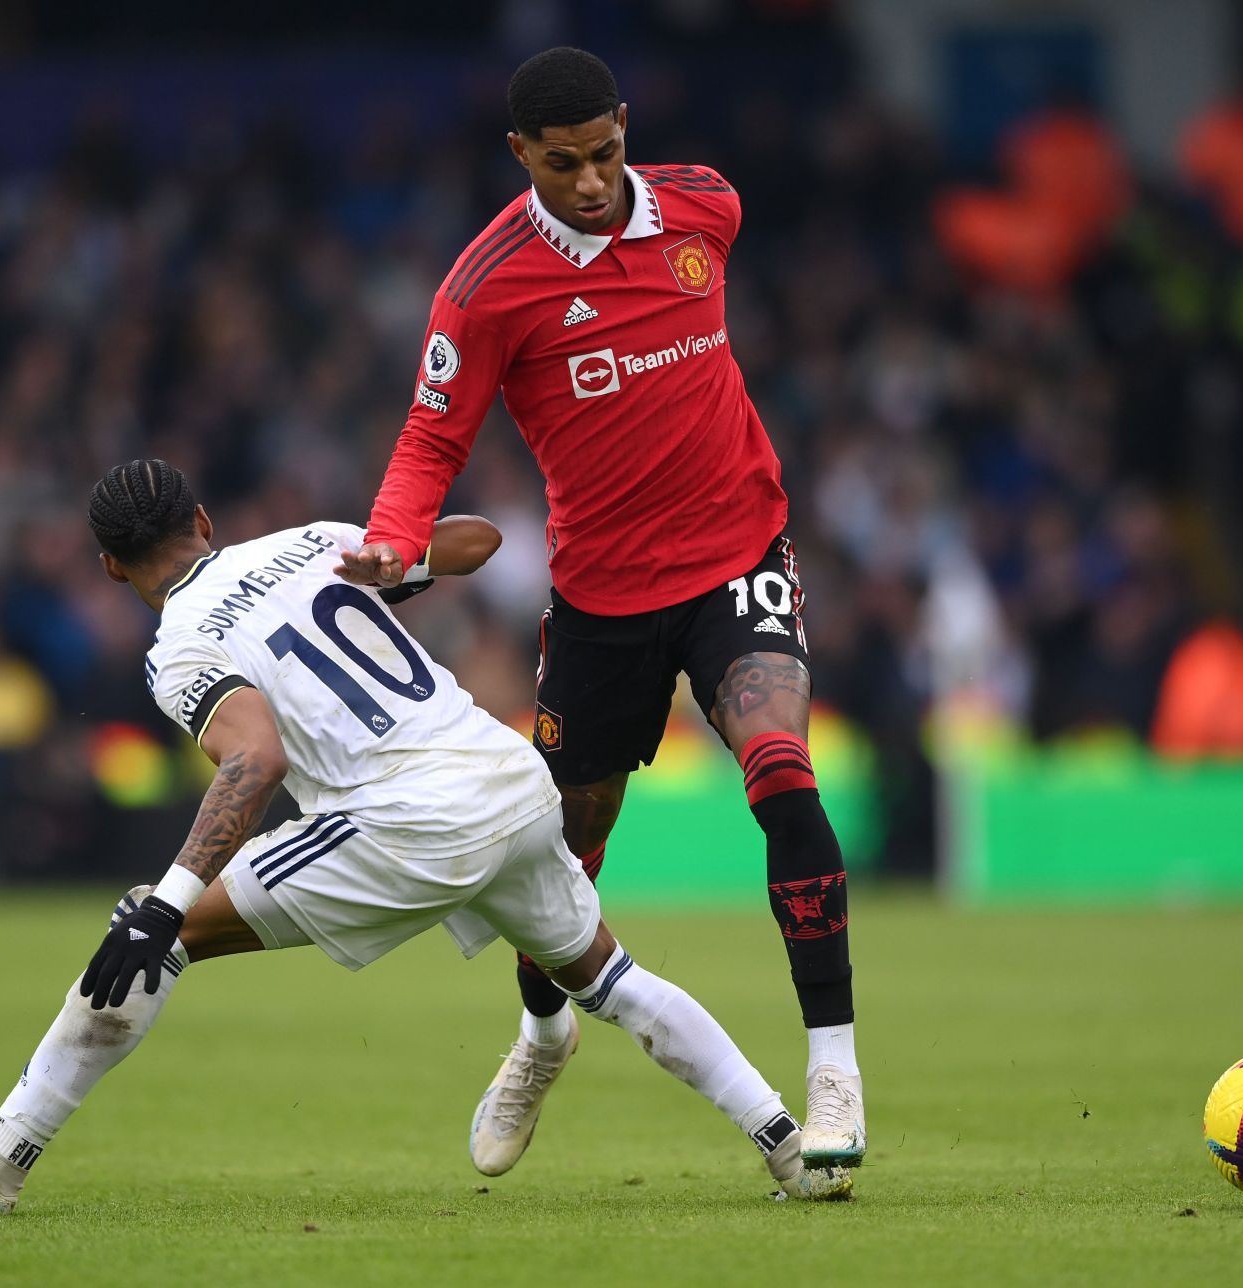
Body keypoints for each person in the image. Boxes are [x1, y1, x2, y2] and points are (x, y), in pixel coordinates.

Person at [0, 459, 850, 1214]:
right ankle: (787, 1144)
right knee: (607, 971)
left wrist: (163, 898)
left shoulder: (179, 647)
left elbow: (256, 762)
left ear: (112, 567)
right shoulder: (310, 540)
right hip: (508, 778)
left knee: (159, 940)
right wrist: (396, 552)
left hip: (407, 816)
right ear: (202, 520)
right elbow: (479, 542)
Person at [338, 47, 864, 1183]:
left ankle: (834, 1069)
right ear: (520, 154)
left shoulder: (706, 208)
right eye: (564, 163)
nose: (589, 181)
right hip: (603, 600)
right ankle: (541, 1035)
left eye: (607, 154)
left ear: (628, 127)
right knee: (564, 848)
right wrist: (393, 538)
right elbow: (432, 437)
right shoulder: (486, 289)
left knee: (782, 770)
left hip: (738, 556)